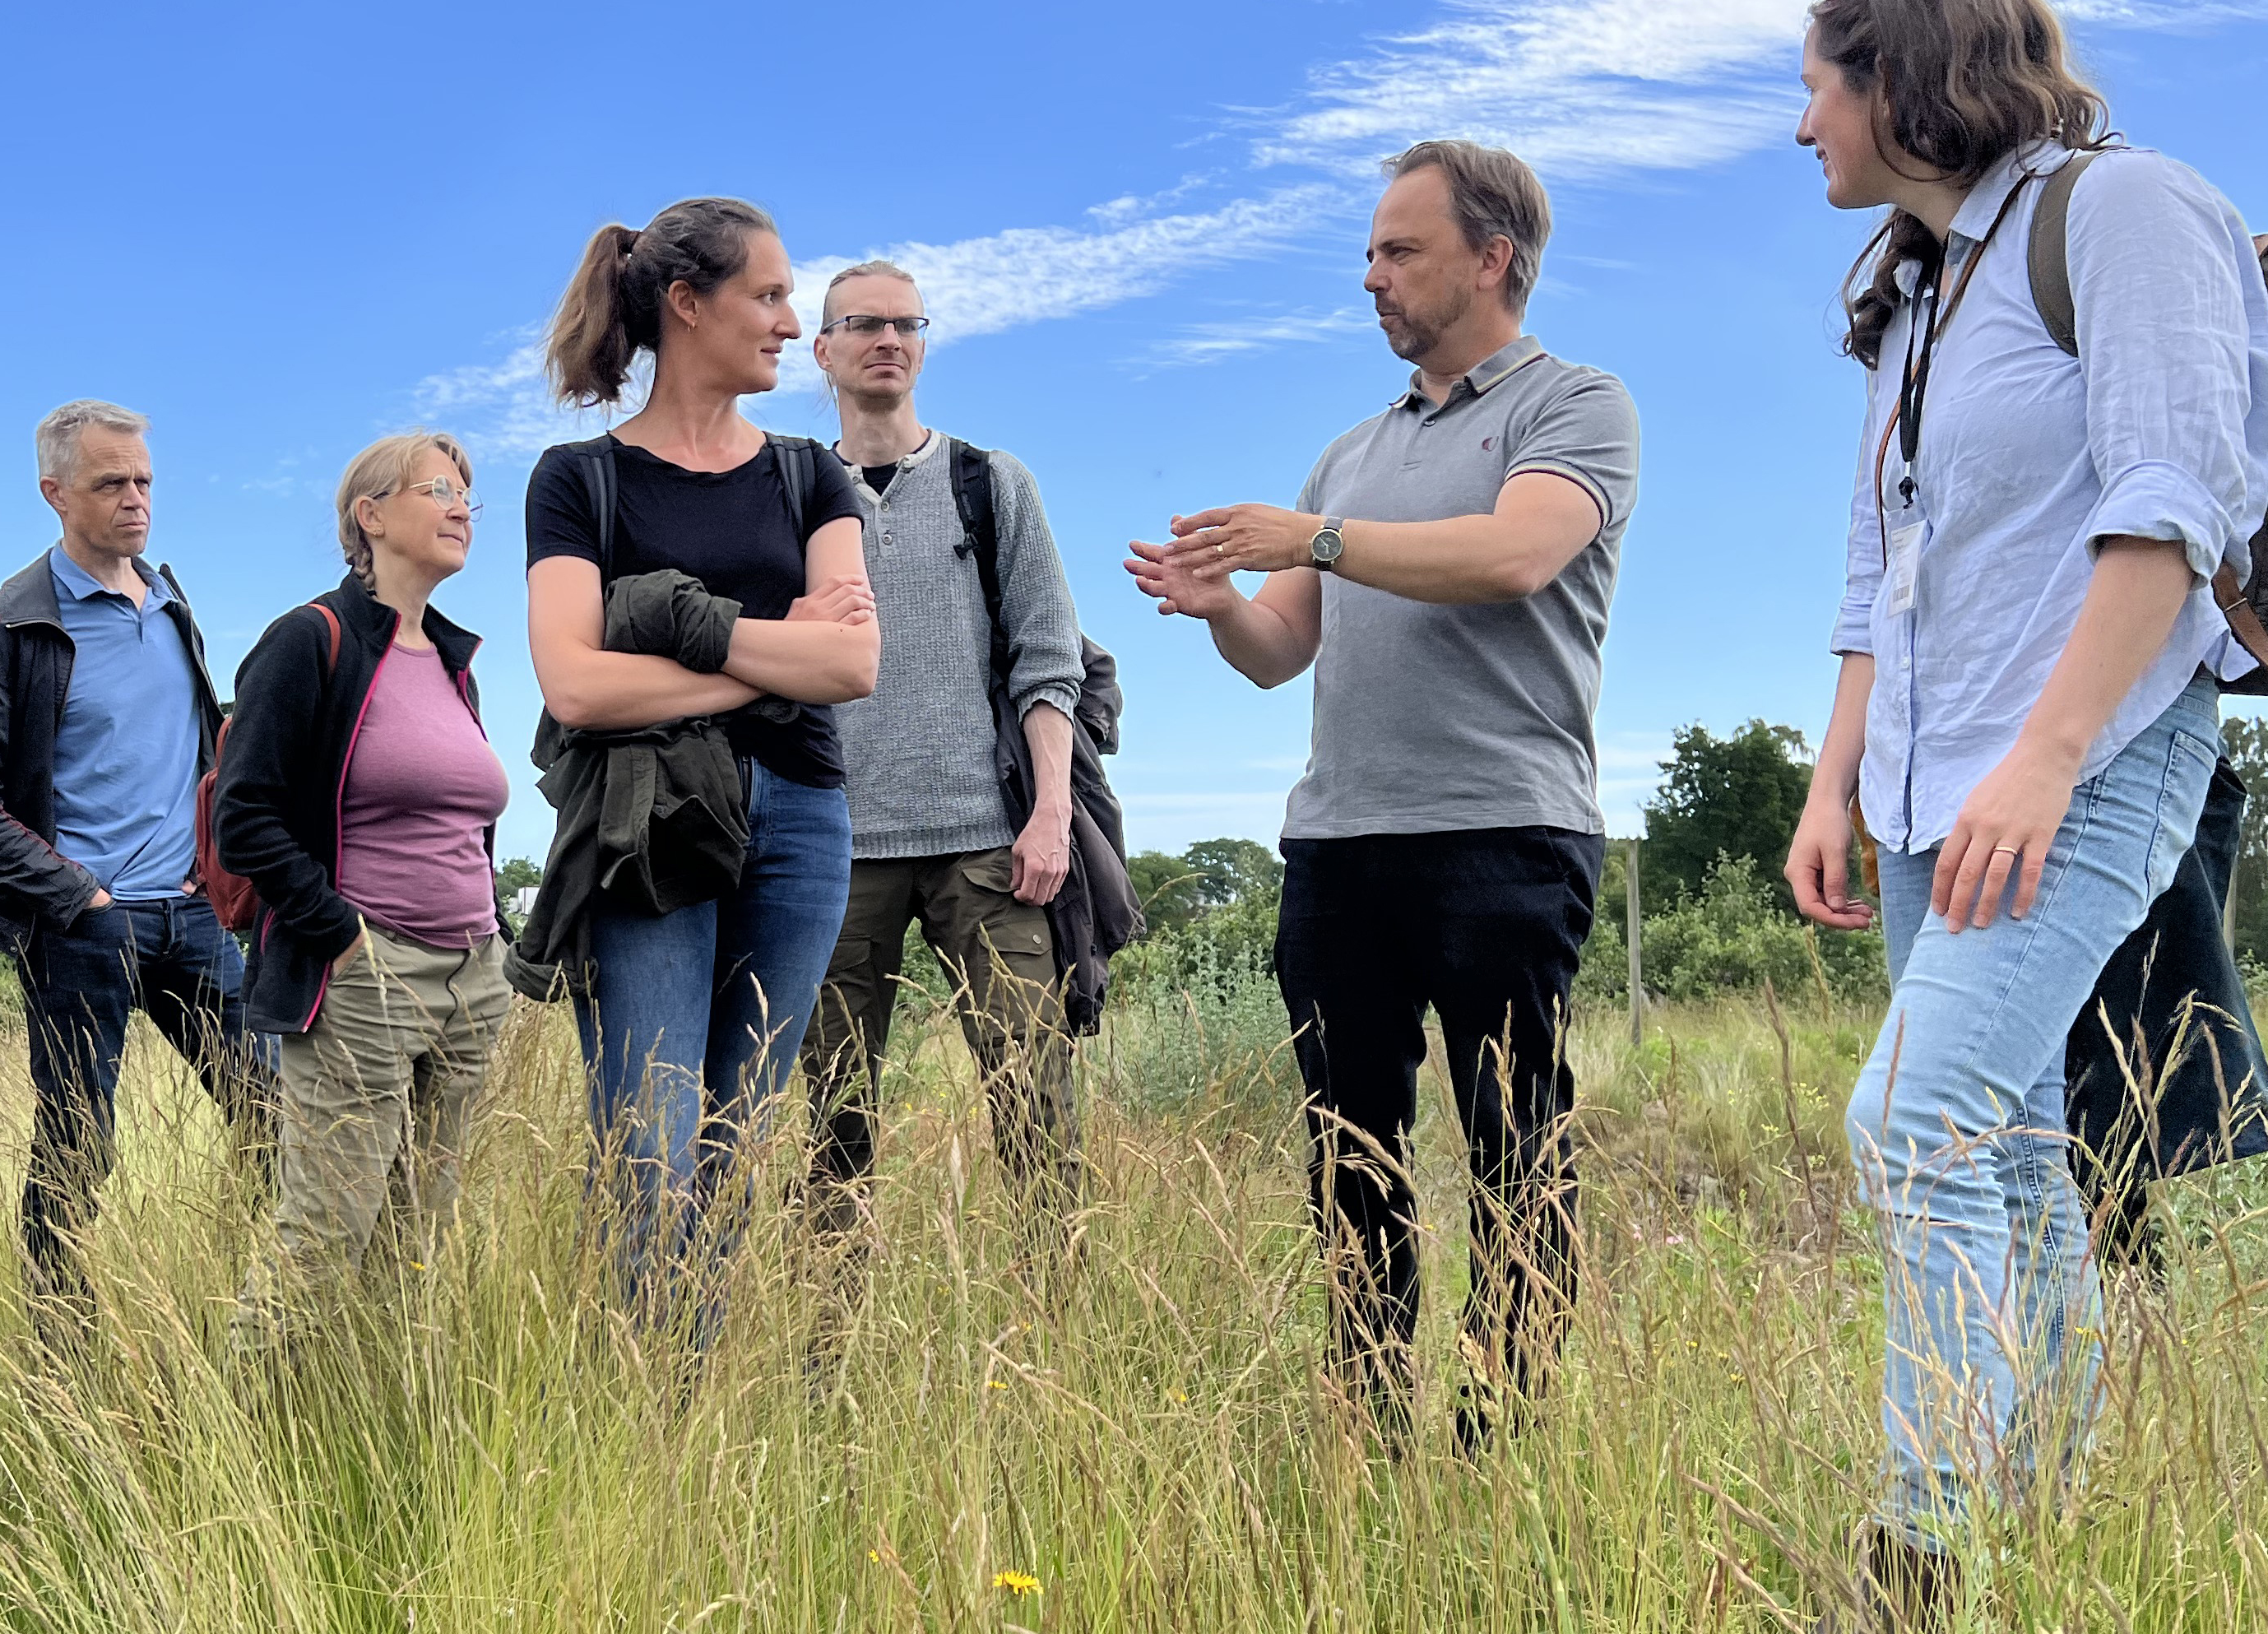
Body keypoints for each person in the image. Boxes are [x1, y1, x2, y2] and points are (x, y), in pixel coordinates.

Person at [1782, 0, 2268, 1626]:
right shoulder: (1911, 288)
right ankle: (2051, 1504)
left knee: (1910, 1119)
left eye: (1817, 85)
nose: (1802, 129)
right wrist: (1831, 781)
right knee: (2003, 1143)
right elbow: (1880, 568)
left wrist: (2050, 756)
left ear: (1904, 76)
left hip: (2089, 761)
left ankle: (1918, 1544)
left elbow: (2173, 502)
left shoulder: (2125, 214)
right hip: (1932, 785)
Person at [1126, 140, 1638, 1445]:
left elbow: (1518, 555)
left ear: (1492, 258)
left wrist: (1317, 540)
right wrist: (1222, 605)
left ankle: (1499, 1429)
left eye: (1399, 251)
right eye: (1368, 252)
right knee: (1350, 1149)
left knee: (1514, 1142)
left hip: (1506, 833)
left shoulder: (1573, 405)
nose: (1371, 277)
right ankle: (1369, 1420)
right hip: (1342, 844)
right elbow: (1281, 652)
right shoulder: (1349, 455)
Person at [522, 197, 879, 1330]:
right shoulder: (580, 481)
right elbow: (575, 686)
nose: (790, 322)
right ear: (688, 304)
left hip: (804, 818)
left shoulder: (809, 474)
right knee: (652, 1147)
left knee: (737, 1141)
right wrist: (774, 659)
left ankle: (695, 1404)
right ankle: (645, 1413)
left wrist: (683, 633)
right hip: (652, 821)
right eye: (769, 296)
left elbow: (858, 664)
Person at [0, 399, 272, 1345]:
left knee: (276, 1114)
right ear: (55, 493)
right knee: (79, 1148)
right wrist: (77, 894)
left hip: (196, 919)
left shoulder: (172, 608)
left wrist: (219, 871)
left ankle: (259, 1318)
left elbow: (202, 758)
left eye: (145, 480)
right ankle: (63, 1358)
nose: (136, 499)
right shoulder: (2, 629)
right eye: (110, 482)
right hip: (86, 927)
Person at [795, 261, 1088, 1290]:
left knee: (1036, 1106)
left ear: (924, 345)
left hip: (986, 843)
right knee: (828, 1122)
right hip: (835, 851)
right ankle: (828, 1351)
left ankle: (1062, 1331)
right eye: (861, 324)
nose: (887, 339)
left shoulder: (989, 481)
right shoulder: (789, 491)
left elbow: (1049, 659)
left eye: (906, 323)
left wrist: (1048, 812)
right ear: (821, 350)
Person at [216, 431, 511, 1347]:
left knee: (415, 1241)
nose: (462, 506)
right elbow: (245, 817)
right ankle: (238, 1448)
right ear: (371, 517)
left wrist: (493, 936)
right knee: (321, 1236)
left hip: (473, 977)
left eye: (470, 494)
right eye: (439, 489)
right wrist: (343, 937)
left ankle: (371, 1427)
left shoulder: (455, 661)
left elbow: (465, 823)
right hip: (365, 977)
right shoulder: (311, 640)